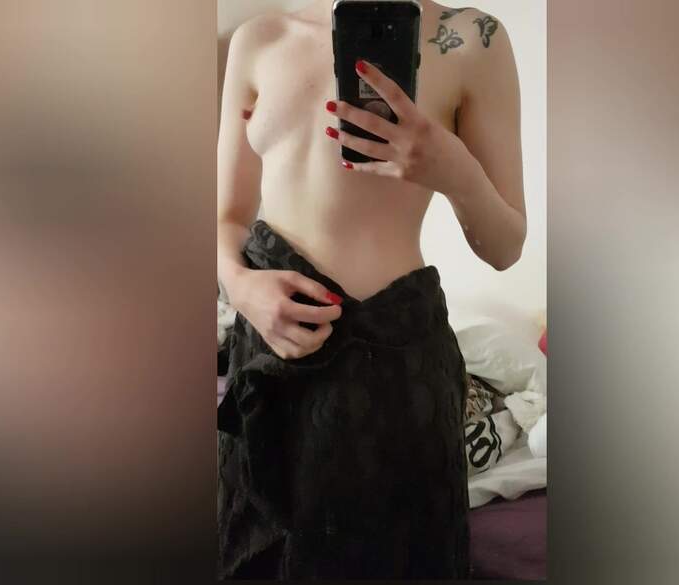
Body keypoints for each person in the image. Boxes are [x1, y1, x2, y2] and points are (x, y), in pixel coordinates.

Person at [217, 0, 525, 578]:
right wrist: (239, 287)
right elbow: (226, 217)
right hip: (270, 351)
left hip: (396, 364)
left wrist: (457, 173)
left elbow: (505, 247)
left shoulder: (473, 39)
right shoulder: (258, 38)